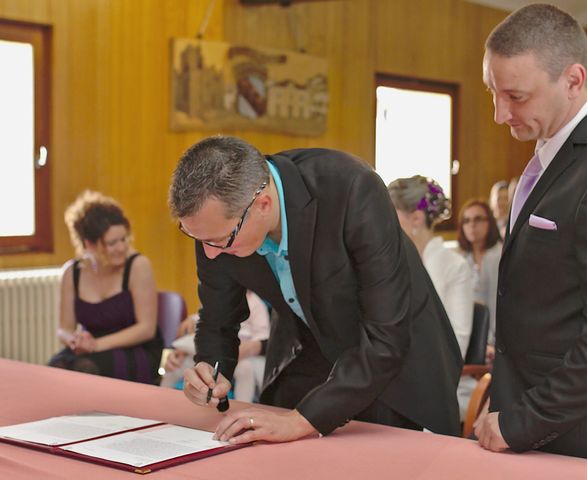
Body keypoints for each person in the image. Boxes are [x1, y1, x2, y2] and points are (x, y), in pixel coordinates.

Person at [168, 136, 462, 445]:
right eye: (196, 238)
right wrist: (210, 369)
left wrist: (302, 420)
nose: (210, 254)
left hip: (397, 365)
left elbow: (387, 337)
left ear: (263, 205)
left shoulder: (351, 187)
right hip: (308, 355)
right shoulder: (217, 226)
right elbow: (218, 319)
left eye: (219, 241)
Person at [475, 4, 587, 467]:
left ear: (572, 79)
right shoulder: (556, 147)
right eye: (493, 92)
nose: (499, 114)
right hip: (529, 416)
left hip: (583, 438)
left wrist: (526, 419)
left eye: (516, 96)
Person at [48, 190, 163, 384]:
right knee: (55, 370)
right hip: (91, 349)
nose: (121, 247)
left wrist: (96, 345)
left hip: (135, 349)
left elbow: (146, 328)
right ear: (89, 244)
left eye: (123, 239)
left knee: (84, 369)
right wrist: (73, 341)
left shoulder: (138, 265)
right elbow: (64, 328)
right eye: (111, 243)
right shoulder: (71, 272)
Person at [388, 176, 473, 420]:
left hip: (438, 377)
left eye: (392, 213)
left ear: (416, 218)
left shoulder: (454, 266)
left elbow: (457, 340)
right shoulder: (393, 261)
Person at [160, 291, 270, 403]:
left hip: (240, 353)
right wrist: (191, 320)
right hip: (210, 346)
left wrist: (245, 349)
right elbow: (202, 318)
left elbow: (263, 336)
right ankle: (161, 397)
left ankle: (243, 405)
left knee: (245, 370)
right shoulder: (216, 294)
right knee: (178, 364)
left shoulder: (255, 302)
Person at [456, 199, 502, 362]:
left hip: (497, 338)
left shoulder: (499, 256)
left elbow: (497, 303)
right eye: (466, 221)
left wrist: (491, 342)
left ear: (490, 222)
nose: (472, 225)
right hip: (469, 333)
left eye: (478, 219)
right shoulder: (461, 258)